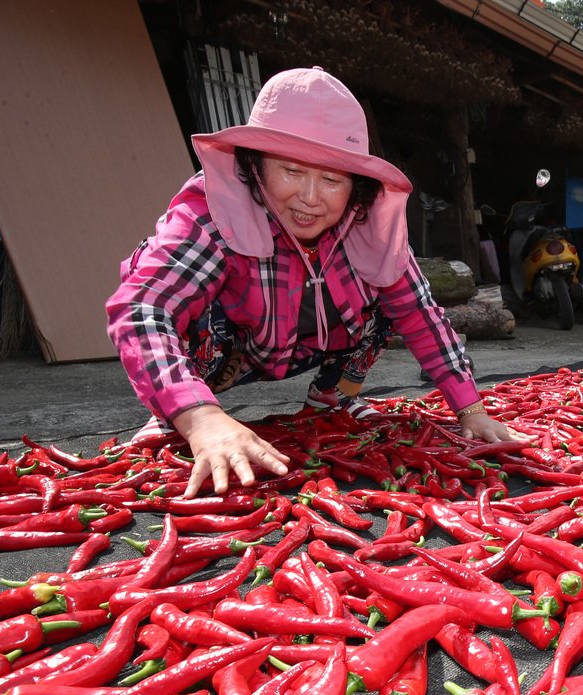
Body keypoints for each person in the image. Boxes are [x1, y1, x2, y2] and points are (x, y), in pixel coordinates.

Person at [108, 66, 518, 497]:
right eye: (291, 170)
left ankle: (332, 398)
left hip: (307, 345)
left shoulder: (368, 224)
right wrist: (197, 414)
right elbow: (141, 308)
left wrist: (470, 408)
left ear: (355, 185)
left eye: (331, 179)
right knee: (186, 306)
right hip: (228, 352)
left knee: (388, 293)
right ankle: (178, 408)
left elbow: (419, 313)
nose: (309, 197)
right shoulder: (213, 210)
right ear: (255, 164)